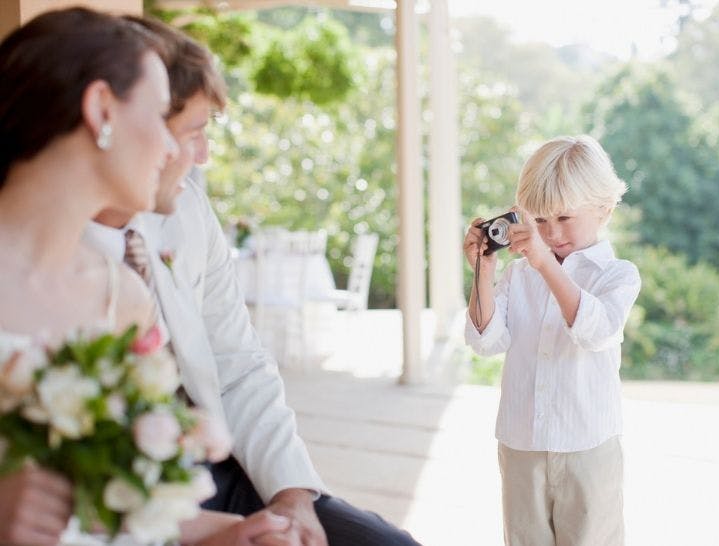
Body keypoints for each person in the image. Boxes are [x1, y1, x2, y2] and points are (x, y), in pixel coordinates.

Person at [88, 16, 421, 546]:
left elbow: (238, 362)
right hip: (111, 498)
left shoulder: (186, 207)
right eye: (193, 132)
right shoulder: (53, 256)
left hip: (223, 469)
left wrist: (291, 494)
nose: (203, 158)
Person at [0, 9, 291, 546]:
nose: (173, 147)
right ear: (101, 110)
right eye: (160, 116)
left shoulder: (123, 296)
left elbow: (123, 509)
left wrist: (233, 535)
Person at [463, 135, 641, 546]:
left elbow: (596, 331)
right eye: (539, 221)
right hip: (521, 443)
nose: (551, 233)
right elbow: (486, 341)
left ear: (604, 209)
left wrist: (544, 264)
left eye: (564, 218)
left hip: (587, 446)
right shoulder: (519, 274)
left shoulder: (617, 275)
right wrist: (483, 273)